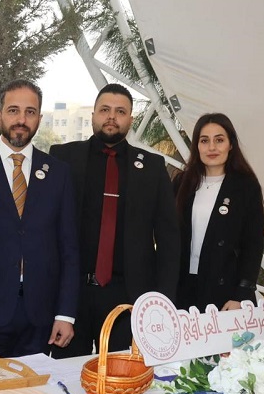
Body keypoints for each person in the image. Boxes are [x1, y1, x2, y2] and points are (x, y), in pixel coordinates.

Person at [0, 79, 79, 359]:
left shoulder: (59, 174)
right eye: (13, 110)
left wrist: (65, 314)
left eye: (30, 112)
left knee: (34, 389)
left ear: (39, 118)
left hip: (40, 319)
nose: (21, 119)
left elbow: (69, 249)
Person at [50, 83, 180, 357]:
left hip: (129, 298)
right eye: (105, 110)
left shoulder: (153, 168)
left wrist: (162, 301)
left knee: (123, 375)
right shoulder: (63, 158)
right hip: (72, 295)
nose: (112, 117)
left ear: (130, 120)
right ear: (93, 115)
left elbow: (169, 240)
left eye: (120, 111)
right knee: (66, 376)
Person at [174, 112, 264, 312]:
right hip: (182, 288)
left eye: (219, 140)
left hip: (226, 293)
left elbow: (253, 244)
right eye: (204, 141)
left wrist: (241, 295)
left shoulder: (246, 187)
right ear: (197, 146)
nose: (212, 147)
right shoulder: (182, 183)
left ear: (231, 144)